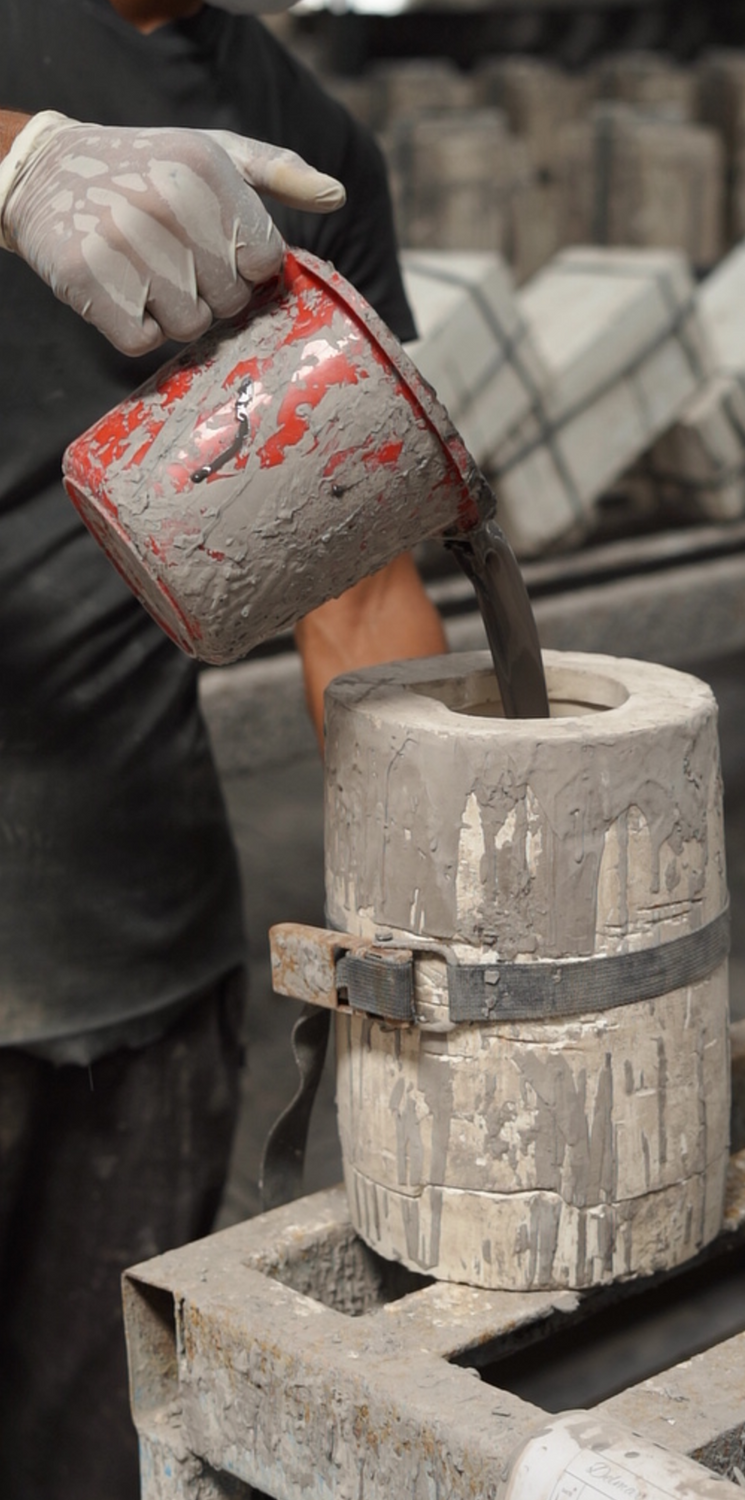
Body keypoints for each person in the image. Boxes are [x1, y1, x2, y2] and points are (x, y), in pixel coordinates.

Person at [0, 2, 447, 1495]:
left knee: (96, 1457)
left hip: (136, 959)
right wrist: (21, 166)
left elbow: (359, 572)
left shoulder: (308, 146)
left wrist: (463, 901)